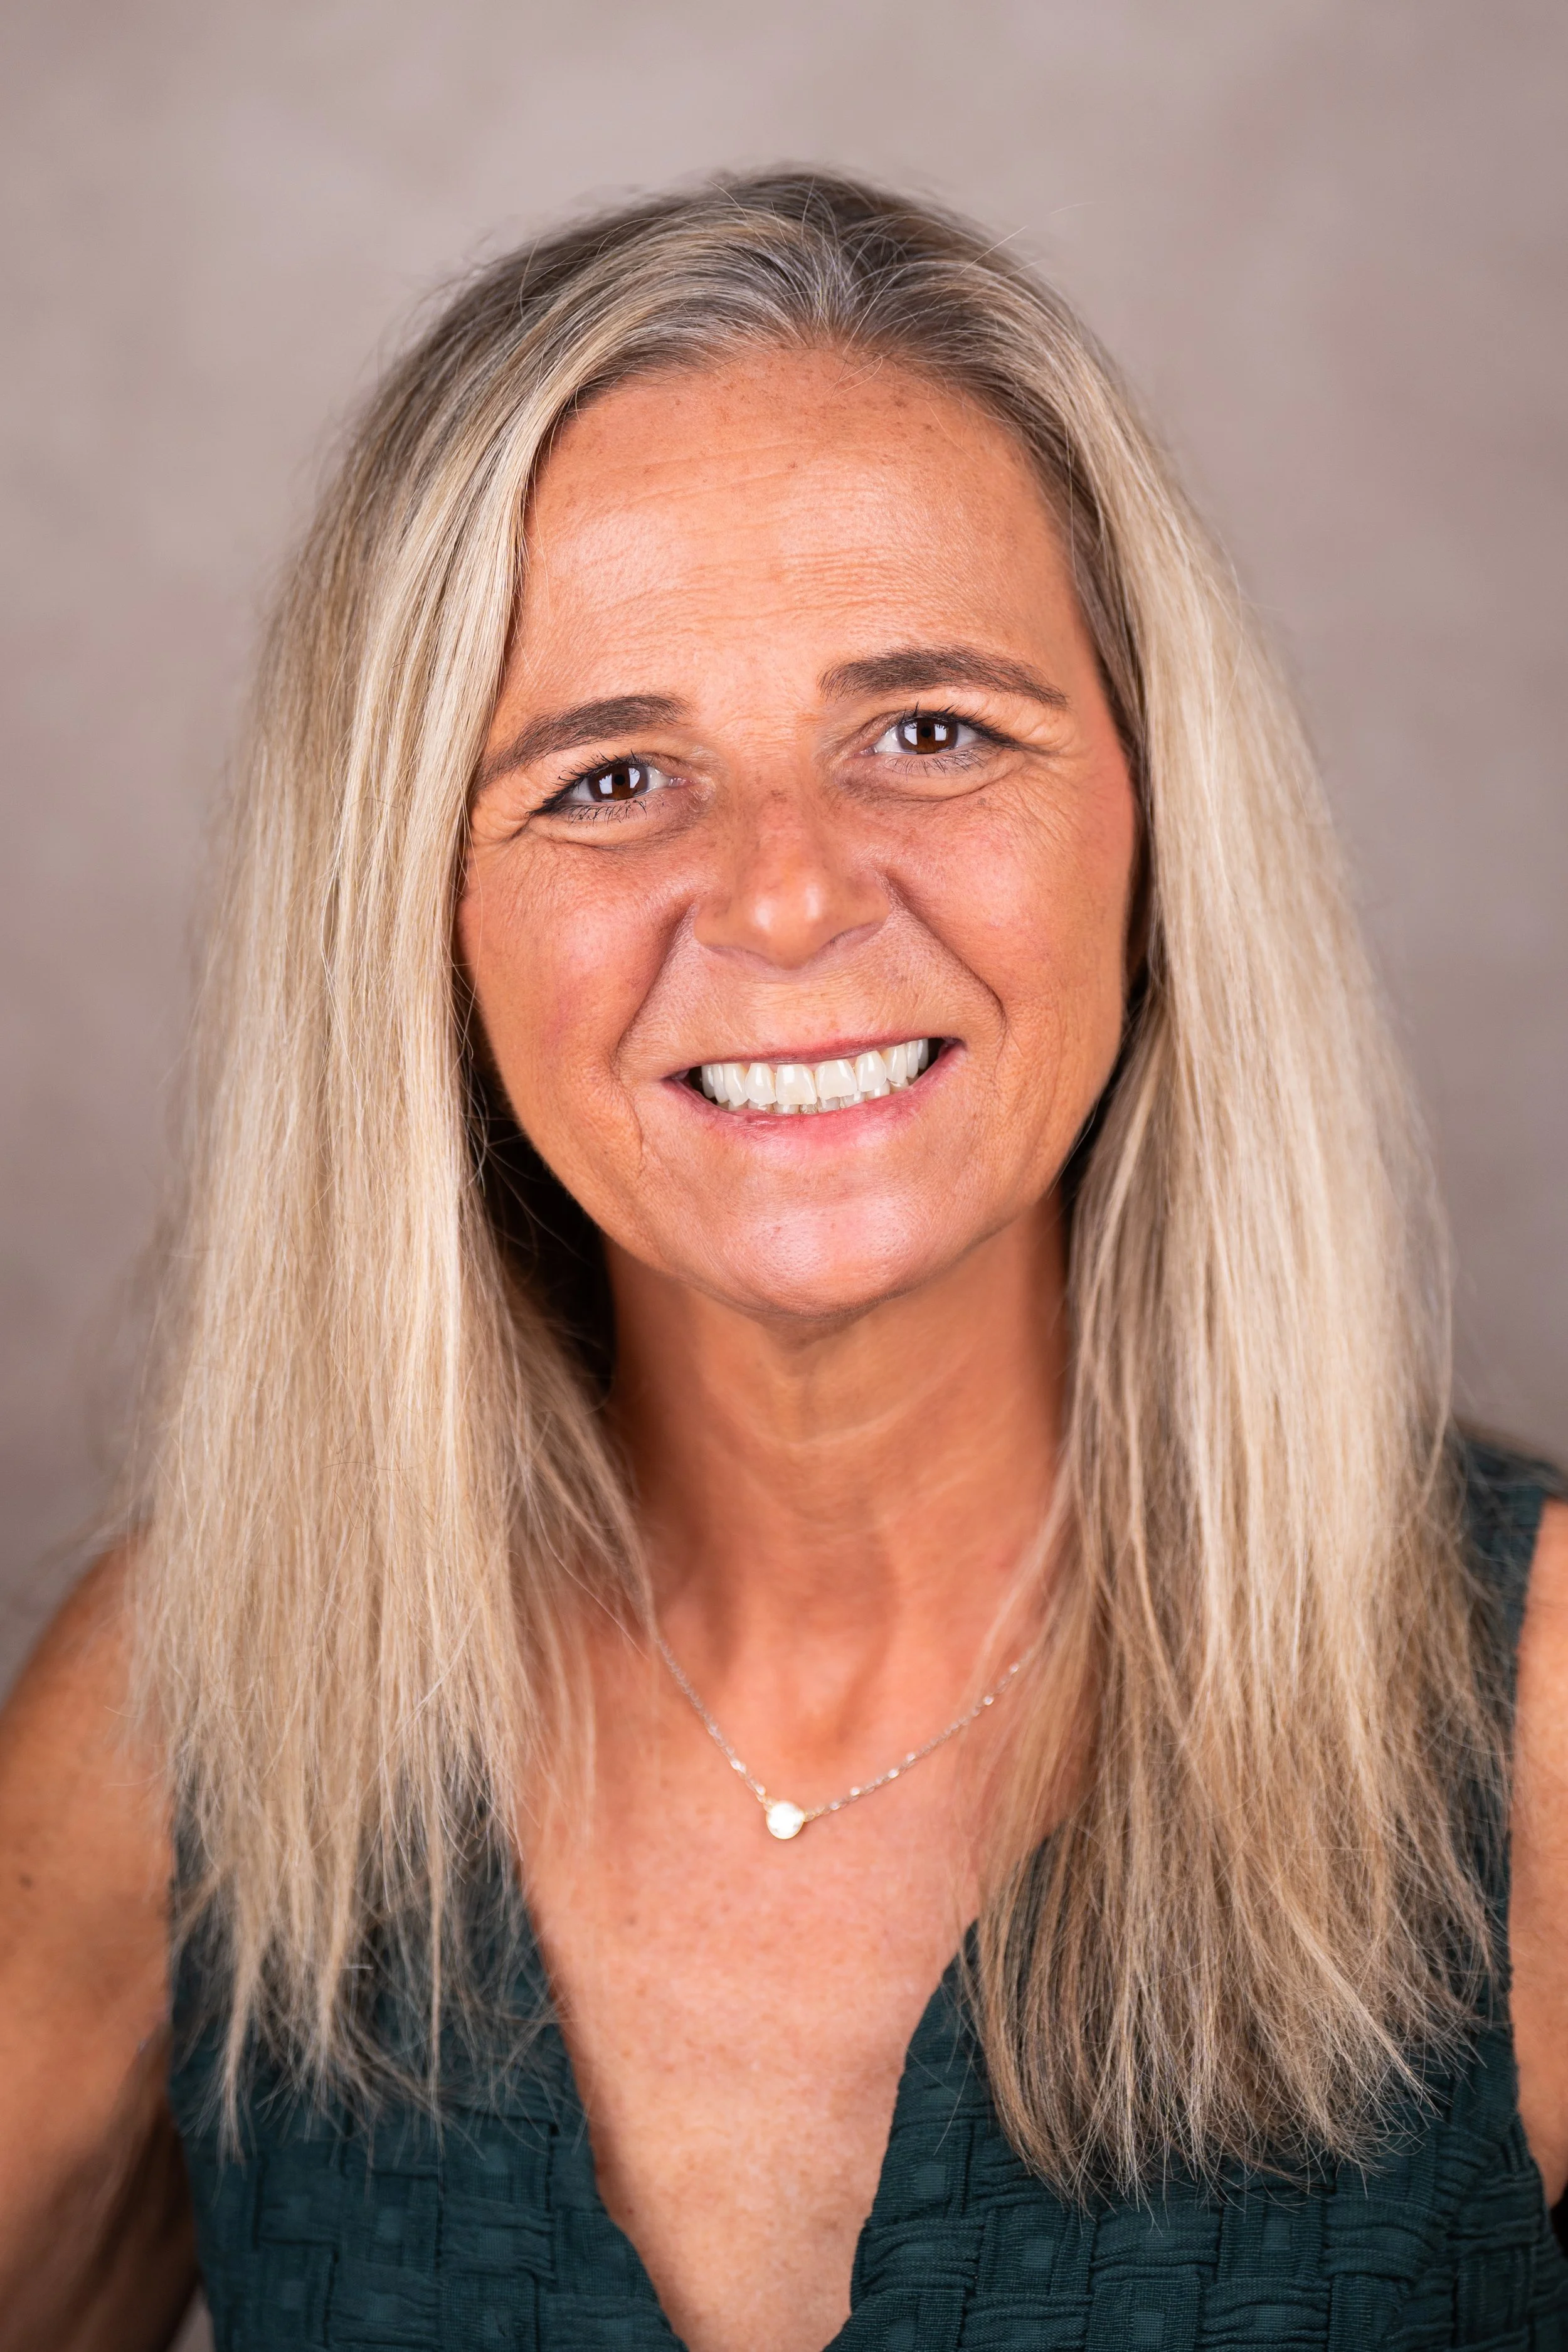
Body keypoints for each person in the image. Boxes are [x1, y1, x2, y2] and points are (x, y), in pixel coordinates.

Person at [0, 171, 1564, 2352]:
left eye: (928, 731)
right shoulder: (202, 1709)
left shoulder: (1541, 1715)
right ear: (420, 920)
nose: (787, 896)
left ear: (1151, 821)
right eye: (611, 773)